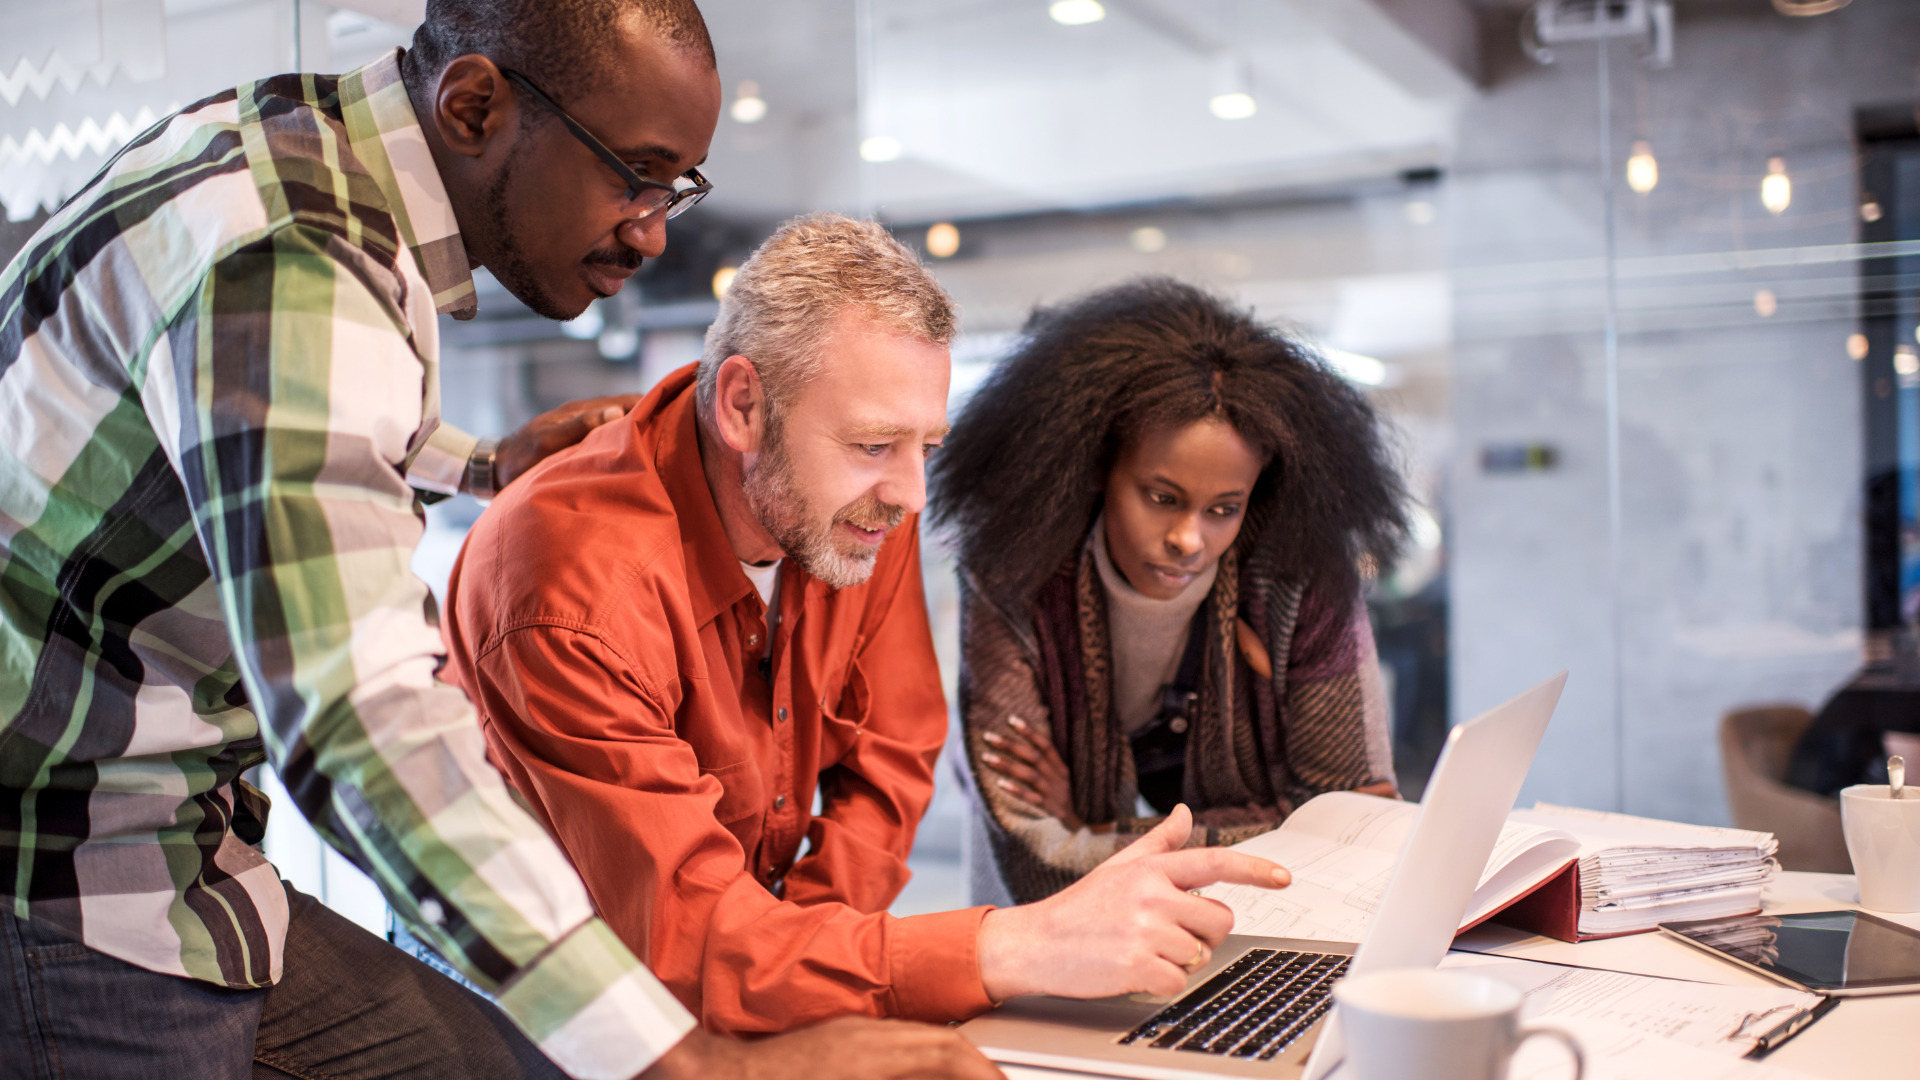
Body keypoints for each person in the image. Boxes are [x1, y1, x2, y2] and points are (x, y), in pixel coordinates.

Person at [0, 2, 1000, 1078]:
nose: (654, 229)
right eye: (636, 173)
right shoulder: (298, 258)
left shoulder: (293, 160)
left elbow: (235, 420)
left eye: (678, 188)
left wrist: (476, 463)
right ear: (472, 106)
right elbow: (361, 722)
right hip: (72, 864)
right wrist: (702, 1063)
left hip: (192, 846)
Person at [442, 214, 1292, 1035]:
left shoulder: (857, 504)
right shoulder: (568, 595)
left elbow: (893, 748)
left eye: (925, 447)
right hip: (539, 1021)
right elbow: (685, 937)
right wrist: (1011, 945)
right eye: (875, 445)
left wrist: (801, 964)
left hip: (730, 975)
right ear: (742, 407)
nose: (913, 498)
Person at [926, 279, 1409, 905]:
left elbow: (1356, 836)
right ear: (1099, 465)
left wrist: (1091, 831)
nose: (1189, 538)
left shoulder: (1301, 571)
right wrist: (1284, 824)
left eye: (1223, 509)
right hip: (1054, 941)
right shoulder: (1014, 569)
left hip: (1265, 929)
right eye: (1162, 498)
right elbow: (1034, 863)